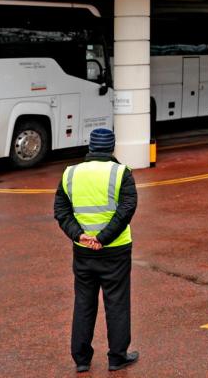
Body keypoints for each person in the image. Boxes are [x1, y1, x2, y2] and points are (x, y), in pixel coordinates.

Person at [53, 128, 140, 373]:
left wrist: (78, 234)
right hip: (116, 250)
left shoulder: (70, 174)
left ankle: (81, 359)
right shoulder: (121, 172)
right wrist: (103, 238)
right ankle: (117, 357)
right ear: (112, 148)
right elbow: (127, 209)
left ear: (90, 147)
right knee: (117, 303)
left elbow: (61, 210)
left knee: (84, 302)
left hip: (83, 250)